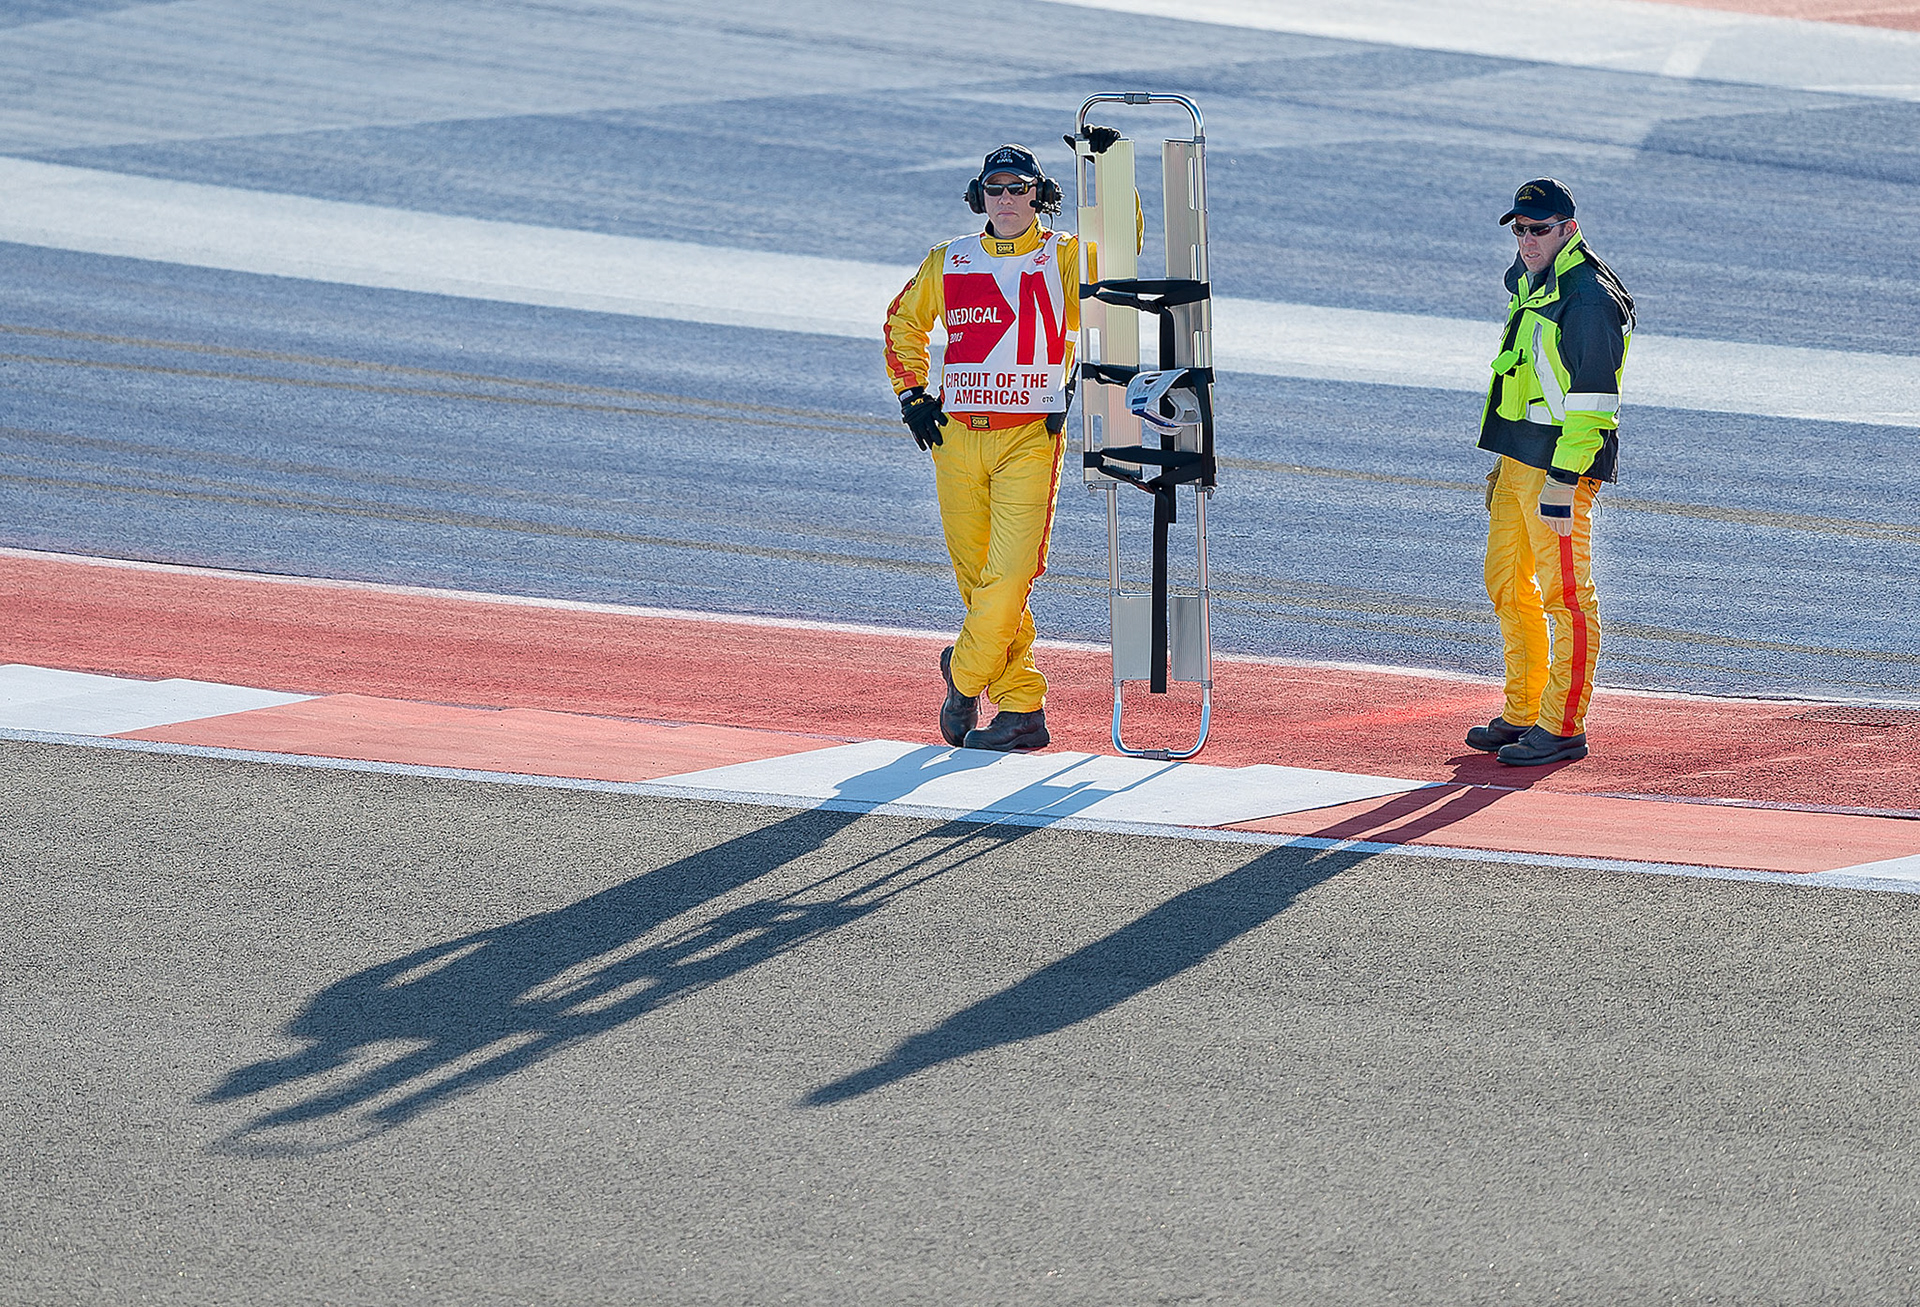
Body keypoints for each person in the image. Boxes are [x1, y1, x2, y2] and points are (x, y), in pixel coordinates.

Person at [882, 144, 1079, 752]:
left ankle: (963, 677)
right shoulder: (950, 259)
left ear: (1039, 195)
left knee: (1011, 575)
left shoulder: (1067, 255)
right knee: (978, 581)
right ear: (979, 197)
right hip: (957, 437)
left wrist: (1108, 159)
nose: (1007, 199)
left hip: (1029, 437)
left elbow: (1128, 242)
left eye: (1020, 188)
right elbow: (901, 324)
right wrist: (913, 394)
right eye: (995, 189)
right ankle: (1022, 709)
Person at [1468, 177, 1635, 767]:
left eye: (1538, 229)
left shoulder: (1589, 299)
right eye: (1519, 229)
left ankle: (1563, 725)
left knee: (1566, 596)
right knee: (1507, 584)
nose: (1527, 239)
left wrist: (1565, 483)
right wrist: (1504, 460)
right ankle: (1523, 709)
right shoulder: (1527, 278)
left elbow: (1594, 402)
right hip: (1518, 456)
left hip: (1560, 467)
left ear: (1568, 228)